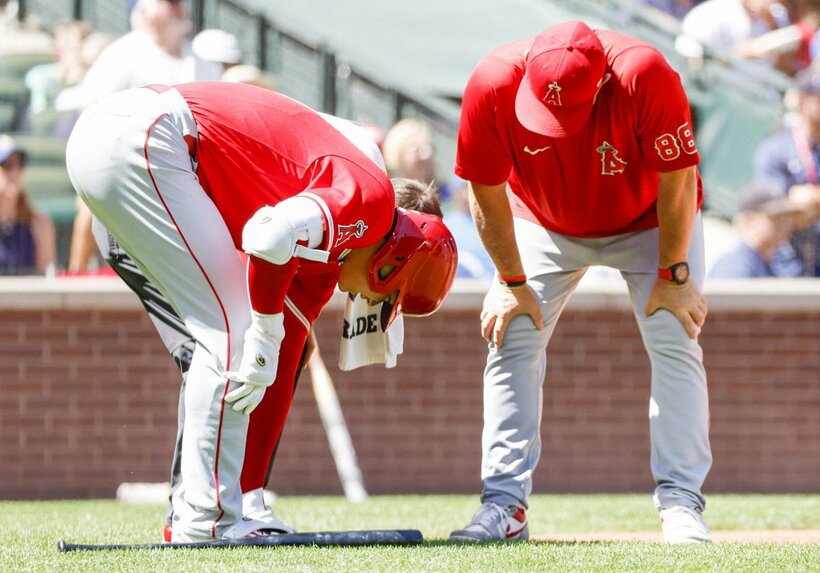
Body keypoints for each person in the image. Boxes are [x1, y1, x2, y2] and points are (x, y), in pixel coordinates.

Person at [65, 81, 457, 542]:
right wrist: (265, 334)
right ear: (390, 266)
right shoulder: (368, 198)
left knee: (226, 346)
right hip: (147, 141)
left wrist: (252, 495)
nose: (372, 304)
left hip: (128, 147)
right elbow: (268, 236)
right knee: (234, 338)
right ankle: (206, 520)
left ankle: (219, 507)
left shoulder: (336, 240)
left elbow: (286, 355)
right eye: (390, 297)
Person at [448, 20, 713, 545]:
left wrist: (675, 275)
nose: (552, 124)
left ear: (601, 82)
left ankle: (682, 503)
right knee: (511, 334)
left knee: (674, 335)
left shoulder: (643, 72)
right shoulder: (493, 80)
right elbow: (484, 189)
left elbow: (679, 178)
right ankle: (504, 505)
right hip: (542, 219)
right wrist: (510, 280)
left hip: (647, 221)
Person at [67, 0, 223, 273]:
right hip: (128, 167)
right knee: (88, 212)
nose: (177, 7)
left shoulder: (202, 63)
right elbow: (90, 114)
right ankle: (75, 283)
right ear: (143, 10)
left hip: (185, 170)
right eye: (169, 2)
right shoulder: (125, 53)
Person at [753, 68, 820, 276]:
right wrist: (799, 204)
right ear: (802, 99)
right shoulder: (776, 149)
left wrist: (812, 199)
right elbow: (777, 211)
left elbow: (806, 202)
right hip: (787, 266)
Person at [709, 182, 808, 277]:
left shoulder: (768, 263)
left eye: (785, 217)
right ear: (749, 221)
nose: (784, 224)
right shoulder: (736, 267)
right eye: (776, 218)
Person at [0, 135, 56, 274]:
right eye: (7, 164)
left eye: (19, 164)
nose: (15, 171)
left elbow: (46, 276)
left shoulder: (39, 222)